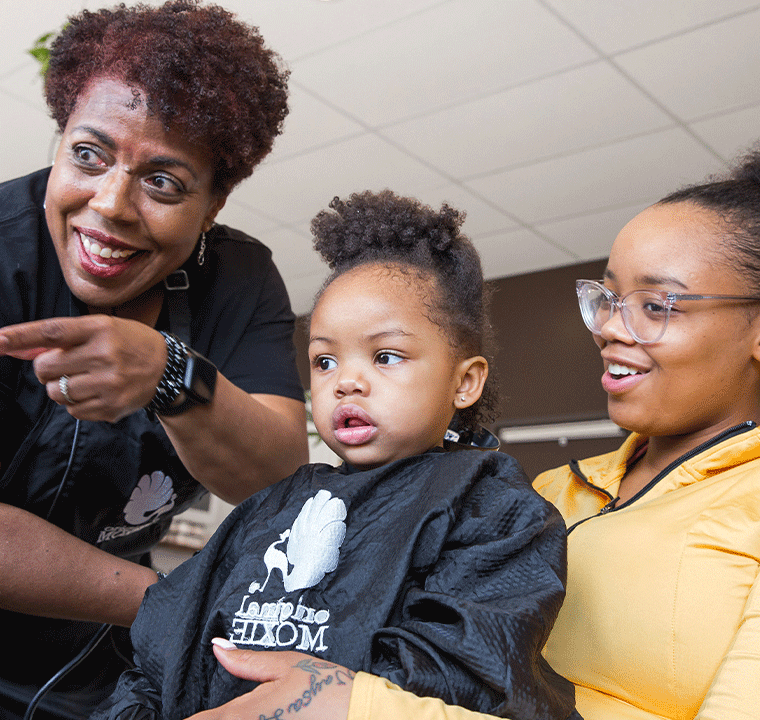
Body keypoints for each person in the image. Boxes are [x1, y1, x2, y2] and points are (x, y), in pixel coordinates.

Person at [185, 151, 760, 720]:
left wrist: (358, 705)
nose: (609, 327)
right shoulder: (547, 492)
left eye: (656, 305)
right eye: (607, 299)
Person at [91, 190, 578, 720]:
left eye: (386, 356)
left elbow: (466, 670)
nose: (346, 381)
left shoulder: (495, 510)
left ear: (465, 383)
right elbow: (167, 640)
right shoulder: (276, 504)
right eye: (324, 360)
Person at [0, 2, 308, 718]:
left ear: (214, 204)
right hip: (136, 606)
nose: (109, 206)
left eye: (162, 182)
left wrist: (176, 377)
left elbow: (280, 480)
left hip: (99, 665)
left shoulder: (239, 282)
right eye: (87, 154)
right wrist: (181, 605)